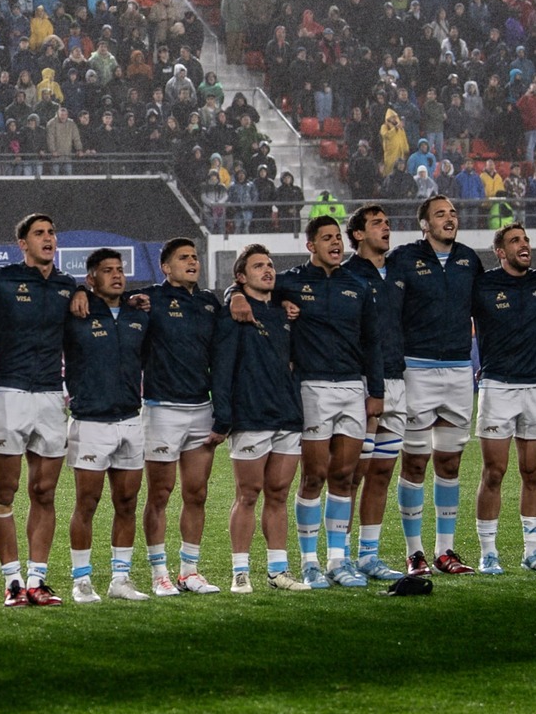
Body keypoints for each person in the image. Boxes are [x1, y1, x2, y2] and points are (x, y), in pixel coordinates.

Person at [230, 216, 384, 587]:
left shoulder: (358, 285)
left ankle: (338, 560)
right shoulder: (292, 281)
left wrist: (375, 392)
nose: (335, 244)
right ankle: (310, 561)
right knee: (313, 476)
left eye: (337, 238)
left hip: (351, 388)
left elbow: (373, 342)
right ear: (310, 245)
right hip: (311, 388)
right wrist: (232, 295)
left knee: (344, 477)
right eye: (326, 238)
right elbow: (251, 288)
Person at [0, 213, 79, 606]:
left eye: (51, 232)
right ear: (22, 244)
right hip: (8, 391)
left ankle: (37, 580)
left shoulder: (66, 285)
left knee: (44, 491)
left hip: (49, 395)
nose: (48, 238)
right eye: (39, 233)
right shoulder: (1, 281)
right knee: (4, 490)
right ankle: (12, 581)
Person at [389, 196, 484, 574]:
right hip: (417, 369)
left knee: (450, 461)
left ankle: (445, 551)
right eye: (440, 214)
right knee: (414, 462)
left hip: (460, 368)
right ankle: (415, 554)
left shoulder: (468, 259)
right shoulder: (404, 258)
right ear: (424, 224)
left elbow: (486, 310)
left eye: (453, 213)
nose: (450, 219)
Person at [211, 244, 306, 592]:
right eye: (257, 266)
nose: (267, 270)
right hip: (251, 416)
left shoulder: (285, 314)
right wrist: (223, 420)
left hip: (287, 416)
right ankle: (240, 571)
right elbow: (221, 371)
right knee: (248, 494)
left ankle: (278, 571)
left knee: (279, 493)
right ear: (240, 277)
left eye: (269, 265)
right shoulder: (232, 314)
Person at [63, 248, 153, 603]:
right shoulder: (77, 313)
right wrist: (75, 292)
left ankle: (121, 579)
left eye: (120, 270)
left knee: (127, 502)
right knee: (87, 502)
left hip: (131, 419)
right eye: (107, 271)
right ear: (91, 278)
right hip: (90, 422)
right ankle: (81, 581)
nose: (116, 275)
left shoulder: (138, 315)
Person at [470, 225, 536, 574]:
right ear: (500, 252)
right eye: (515, 241)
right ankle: (488, 552)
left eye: (526, 240)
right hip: (498, 386)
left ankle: (532, 552)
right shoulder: (484, 286)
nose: (524, 245)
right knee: (494, 471)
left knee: (533, 472)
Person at [137, 238, 224, 594]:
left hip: (200, 410)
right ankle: (159, 574)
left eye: (194, 257)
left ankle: (189, 570)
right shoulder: (148, 300)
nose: (192, 262)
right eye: (183, 258)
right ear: (165, 267)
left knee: (197, 493)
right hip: (161, 410)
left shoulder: (208, 303)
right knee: (160, 493)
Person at [342, 205, 409, 581]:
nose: (386, 227)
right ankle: (343, 554)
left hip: (398, 379)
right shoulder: (347, 273)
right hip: (364, 383)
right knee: (353, 473)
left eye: (387, 221)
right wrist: (236, 290)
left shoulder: (400, 272)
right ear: (358, 235)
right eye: (377, 223)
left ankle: (370, 555)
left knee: (382, 472)